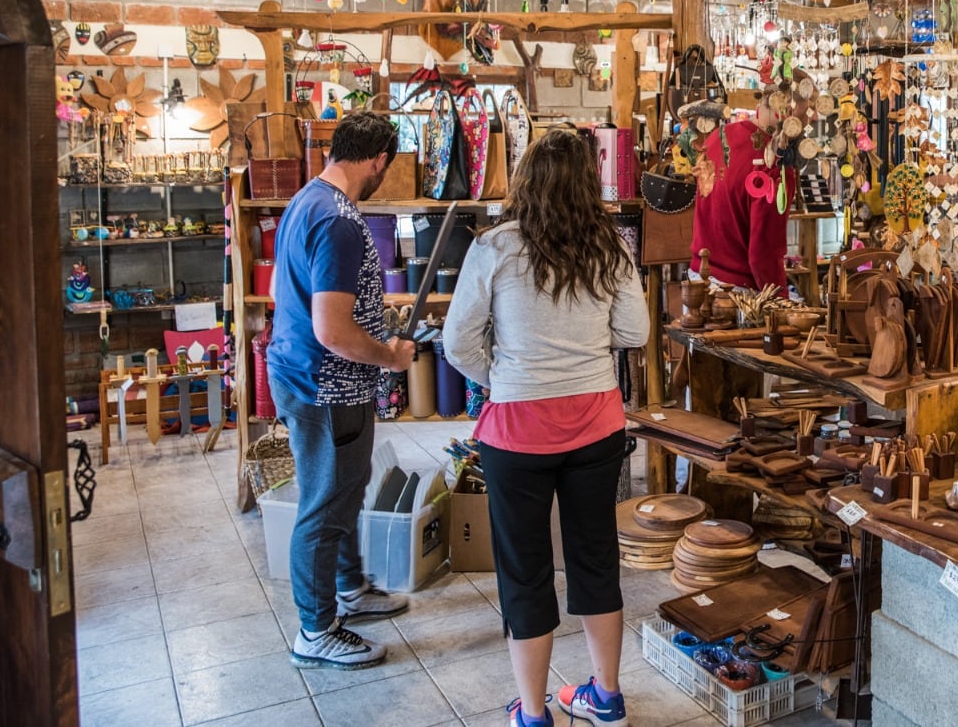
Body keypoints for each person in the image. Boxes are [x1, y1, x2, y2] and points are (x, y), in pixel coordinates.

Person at [443, 127, 649, 727]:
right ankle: (605, 698)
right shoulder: (611, 247)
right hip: (596, 423)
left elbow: (458, 343)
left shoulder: (495, 247)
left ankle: (533, 713)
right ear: (589, 185)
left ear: (525, 181)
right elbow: (633, 334)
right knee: (594, 558)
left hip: (517, 432)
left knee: (525, 569)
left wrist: (505, 374)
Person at [268, 111, 416, 671]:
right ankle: (316, 629)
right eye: (388, 166)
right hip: (324, 384)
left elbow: (324, 301)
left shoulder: (308, 199)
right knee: (325, 504)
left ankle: (349, 589)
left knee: (344, 491)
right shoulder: (339, 220)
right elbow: (332, 330)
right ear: (379, 160)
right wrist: (391, 356)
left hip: (307, 374)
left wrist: (377, 313)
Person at [689, 97, 792, 291]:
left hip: (697, 279)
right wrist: (779, 303)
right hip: (738, 293)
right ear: (787, 109)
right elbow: (763, 253)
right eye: (807, 110)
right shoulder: (775, 164)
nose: (810, 119)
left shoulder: (719, 136)